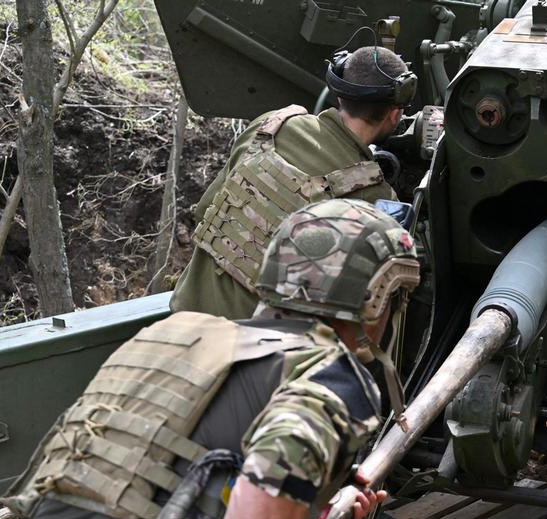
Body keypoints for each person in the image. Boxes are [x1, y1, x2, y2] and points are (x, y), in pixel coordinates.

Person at [0, 198, 421, 519]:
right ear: (377, 298)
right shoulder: (329, 371)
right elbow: (272, 477)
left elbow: (175, 475)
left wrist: (318, 506)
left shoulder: (182, 338)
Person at [169, 44, 416, 319]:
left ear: (340, 95)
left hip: (185, 318)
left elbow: (205, 210)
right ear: (395, 114)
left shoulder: (272, 126)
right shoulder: (372, 194)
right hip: (255, 353)